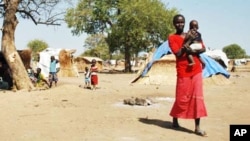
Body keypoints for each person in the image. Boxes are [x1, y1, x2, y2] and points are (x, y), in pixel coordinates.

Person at [168, 14, 207, 136]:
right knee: (181, 97)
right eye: (177, 22)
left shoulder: (191, 33)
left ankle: (197, 127)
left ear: (185, 23)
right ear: (174, 24)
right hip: (183, 70)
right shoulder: (172, 38)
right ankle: (175, 119)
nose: (180, 24)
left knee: (197, 97)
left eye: (182, 22)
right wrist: (188, 41)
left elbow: (203, 48)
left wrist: (193, 50)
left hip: (195, 69)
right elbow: (178, 54)